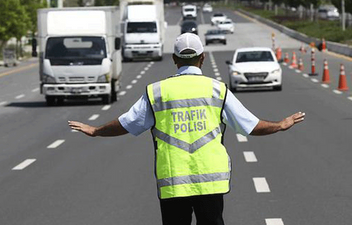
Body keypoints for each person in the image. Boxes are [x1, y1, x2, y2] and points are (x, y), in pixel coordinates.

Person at [68, 33, 305, 225]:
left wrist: (96, 130)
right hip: (210, 181)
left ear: (174, 59)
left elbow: (127, 123)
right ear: (202, 58)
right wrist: (280, 125)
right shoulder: (217, 90)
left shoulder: (157, 92)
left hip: (173, 182)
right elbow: (250, 125)